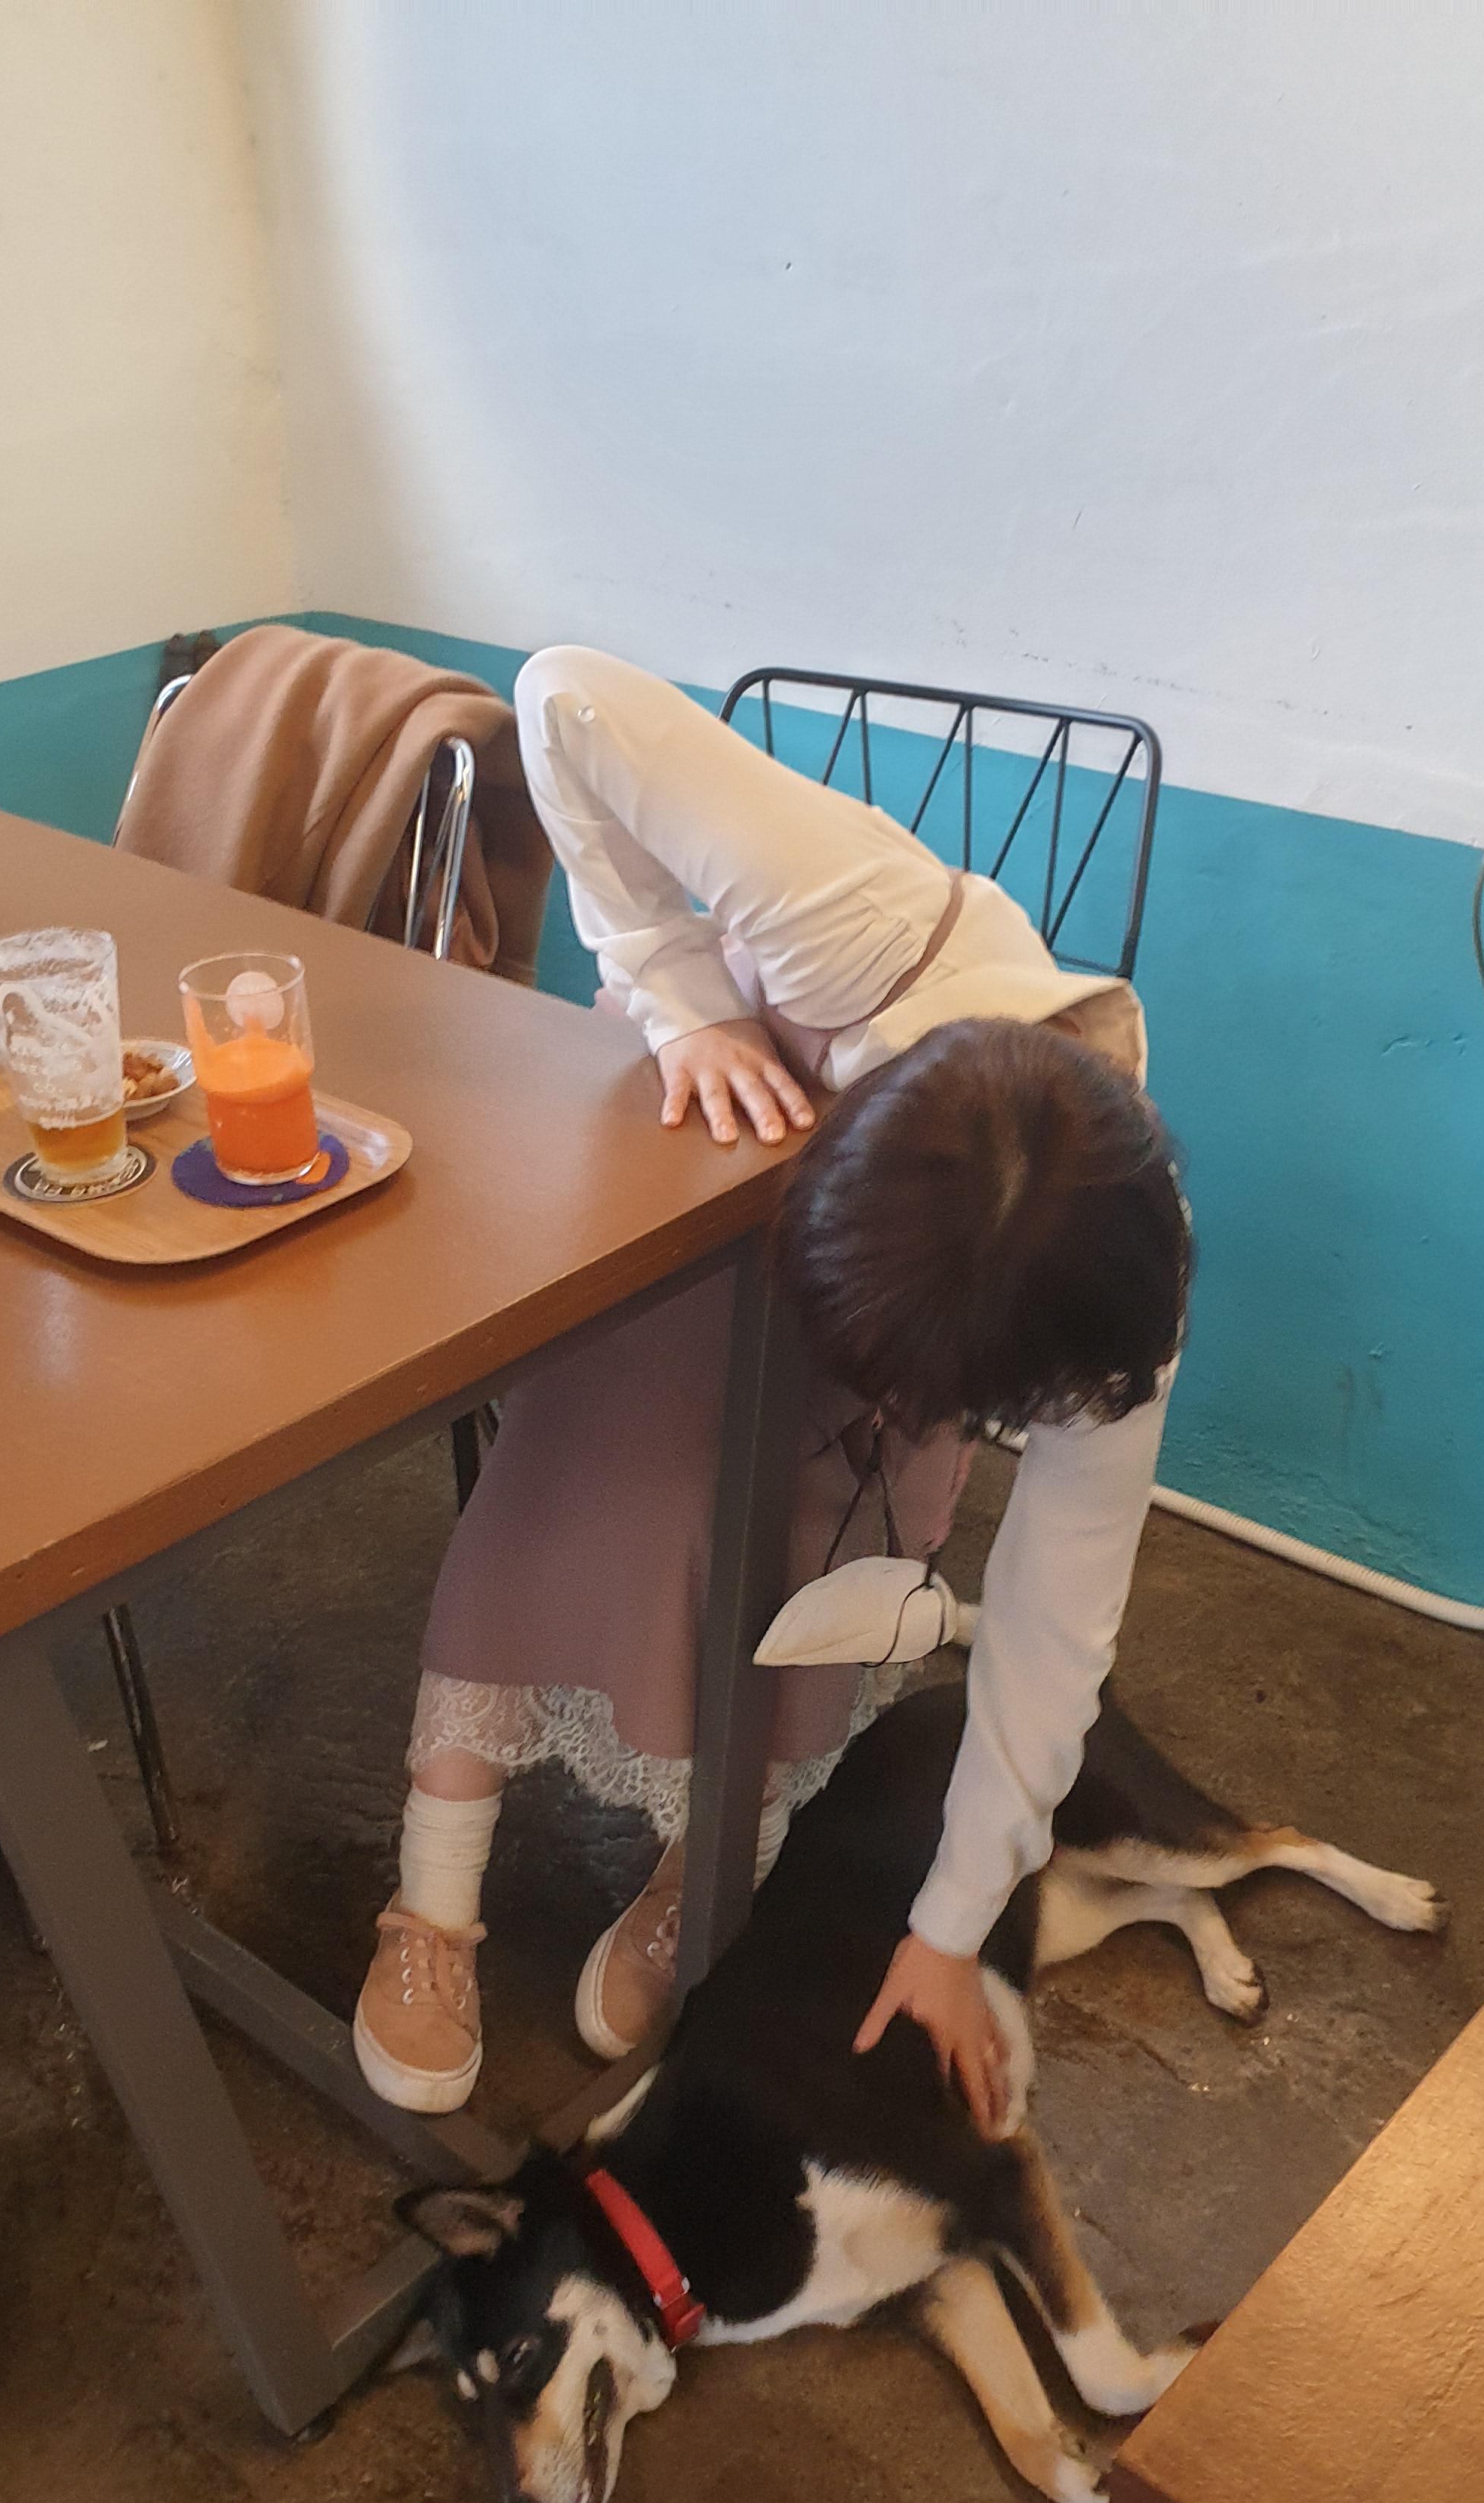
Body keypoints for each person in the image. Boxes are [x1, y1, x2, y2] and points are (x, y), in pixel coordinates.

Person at [351, 647, 1190, 2132]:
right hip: (708, 1157)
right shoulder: (837, 918)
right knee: (573, 1483)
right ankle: (433, 1901)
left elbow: (1055, 1632)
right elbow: (563, 696)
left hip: (890, 1295)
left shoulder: (1102, 1293)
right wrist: (686, 1001)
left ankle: (705, 1867)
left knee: (821, 1550)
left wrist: (949, 1931)